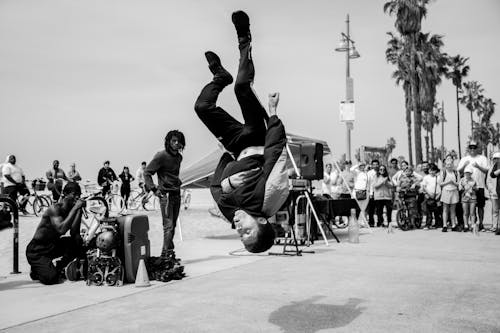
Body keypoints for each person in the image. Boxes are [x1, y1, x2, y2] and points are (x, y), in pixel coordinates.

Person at [194, 11, 289, 253]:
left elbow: (216, 188)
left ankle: (219, 78)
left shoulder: (230, 213)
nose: (238, 229)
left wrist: (225, 159)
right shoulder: (268, 199)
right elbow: (276, 157)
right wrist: (273, 113)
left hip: (236, 146)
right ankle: (244, 38)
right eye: (247, 231)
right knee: (242, 89)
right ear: (262, 221)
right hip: (259, 137)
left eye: (240, 236)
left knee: (203, 107)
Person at [26, 182, 86, 285]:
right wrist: (76, 208)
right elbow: (61, 229)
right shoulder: (55, 209)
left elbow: (74, 233)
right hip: (37, 251)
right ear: (65, 194)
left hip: (52, 245)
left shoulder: (71, 210)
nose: (77, 197)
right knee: (52, 278)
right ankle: (36, 270)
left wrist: (79, 211)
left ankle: (59, 267)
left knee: (76, 242)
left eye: (78, 195)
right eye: (74, 194)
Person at [144, 130, 185, 258]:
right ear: (168, 142)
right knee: (168, 227)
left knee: (172, 225)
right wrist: (154, 190)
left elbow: (173, 175)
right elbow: (147, 173)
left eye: (178, 141)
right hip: (165, 196)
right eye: (173, 140)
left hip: (176, 195)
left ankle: (166, 252)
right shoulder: (161, 156)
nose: (176, 143)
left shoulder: (179, 157)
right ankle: (166, 254)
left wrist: (177, 181)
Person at [457, 141, 489, 230]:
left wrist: (478, 166)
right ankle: (470, 224)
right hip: (466, 188)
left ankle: (481, 223)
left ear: (477, 148)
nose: (472, 149)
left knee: (480, 206)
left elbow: (487, 171)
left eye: (474, 147)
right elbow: (459, 171)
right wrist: (464, 165)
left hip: (479, 186)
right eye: (470, 148)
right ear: (468, 149)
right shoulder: (464, 159)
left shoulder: (482, 158)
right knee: (468, 208)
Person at [439, 160, 460, 232]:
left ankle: (454, 225)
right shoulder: (443, 172)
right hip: (446, 191)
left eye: (450, 164)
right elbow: (440, 183)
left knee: (453, 210)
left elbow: (458, 183)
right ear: (445, 165)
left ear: (453, 164)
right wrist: (448, 182)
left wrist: (453, 183)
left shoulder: (456, 172)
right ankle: (444, 225)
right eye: (447, 164)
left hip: (454, 191)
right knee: (445, 209)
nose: (449, 166)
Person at [421, 163, 442, 229]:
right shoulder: (426, 177)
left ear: (436, 170)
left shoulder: (438, 178)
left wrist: (438, 195)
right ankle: (428, 224)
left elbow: (441, 187)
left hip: (437, 196)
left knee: (437, 211)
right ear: (428, 170)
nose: (432, 172)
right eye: (430, 170)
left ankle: (438, 224)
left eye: (433, 170)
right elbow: (424, 187)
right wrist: (428, 194)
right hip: (428, 196)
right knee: (428, 212)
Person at [459, 166, 478, 233]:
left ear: (471, 173)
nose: (467, 174)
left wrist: (473, 189)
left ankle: (472, 225)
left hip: (472, 198)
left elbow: (477, 188)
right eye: (466, 173)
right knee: (465, 213)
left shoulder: (474, 180)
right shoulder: (462, 180)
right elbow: (460, 188)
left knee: (472, 213)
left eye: (469, 173)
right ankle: (466, 225)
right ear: (464, 173)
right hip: (464, 198)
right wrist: (464, 188)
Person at [351, 162, 370, 227]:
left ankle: (361, 222)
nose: (362, 167)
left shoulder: (366, 174)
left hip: (365, 192)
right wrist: (358, 164)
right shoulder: (357, 172)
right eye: (361, 166)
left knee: (363, 208)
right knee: (356, 208)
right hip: (356, 192)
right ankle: (354, 222)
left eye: (363, 166)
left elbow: (369, 183)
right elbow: (351, 169)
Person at [486, 152, 500, 233]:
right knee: (495, 210)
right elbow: (489, 181)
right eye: (494, 159)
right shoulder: (491, 169)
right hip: (494, 193)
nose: (496, 160)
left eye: (497, 158)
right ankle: (494, 226)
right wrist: (492, 190)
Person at [367, 159, 380, 227]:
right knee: (371, 209)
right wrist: (370, 193)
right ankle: (371, 222)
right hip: (372, 193)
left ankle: (379, 222)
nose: (375, 166)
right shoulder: (369, 173)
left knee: (379, 208)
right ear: (372, 165)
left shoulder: (380, 171)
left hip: (379, 193)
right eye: (374, 164)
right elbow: (369, 184)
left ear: (378, 165)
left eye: (376, 164)